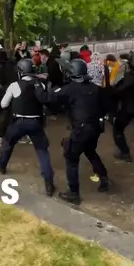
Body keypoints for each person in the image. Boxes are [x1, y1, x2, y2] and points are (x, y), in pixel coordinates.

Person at [43, 59, 108, 204]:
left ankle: (74, 193)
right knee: (90, 151)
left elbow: (50, 98)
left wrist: (40, 86)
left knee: (71, 158)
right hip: (96, 128)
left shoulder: (70, 89)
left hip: (82, 129)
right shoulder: (95, 88)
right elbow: (105, 107)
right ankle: (103, 178)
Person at [0, 59, 55, 196]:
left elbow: (3, 104)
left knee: (8, 143)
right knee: (42, 151)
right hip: (36, 122)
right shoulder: (40, 84)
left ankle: (1, 166)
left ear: (20, 72)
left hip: (19, 122)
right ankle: (49, 182)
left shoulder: (15, 85)